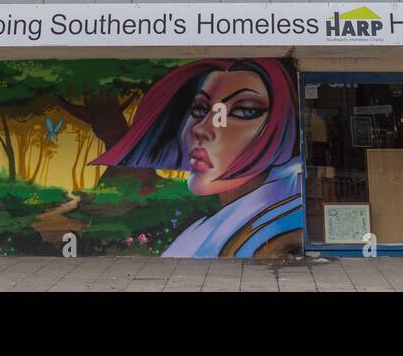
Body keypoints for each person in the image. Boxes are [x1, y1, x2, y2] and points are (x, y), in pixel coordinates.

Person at [92, 58, 302, 258]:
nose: (200, 128)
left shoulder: (277, 231)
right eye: (200, 109)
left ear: (282, 127)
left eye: (244, 111)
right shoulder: (215, 227)